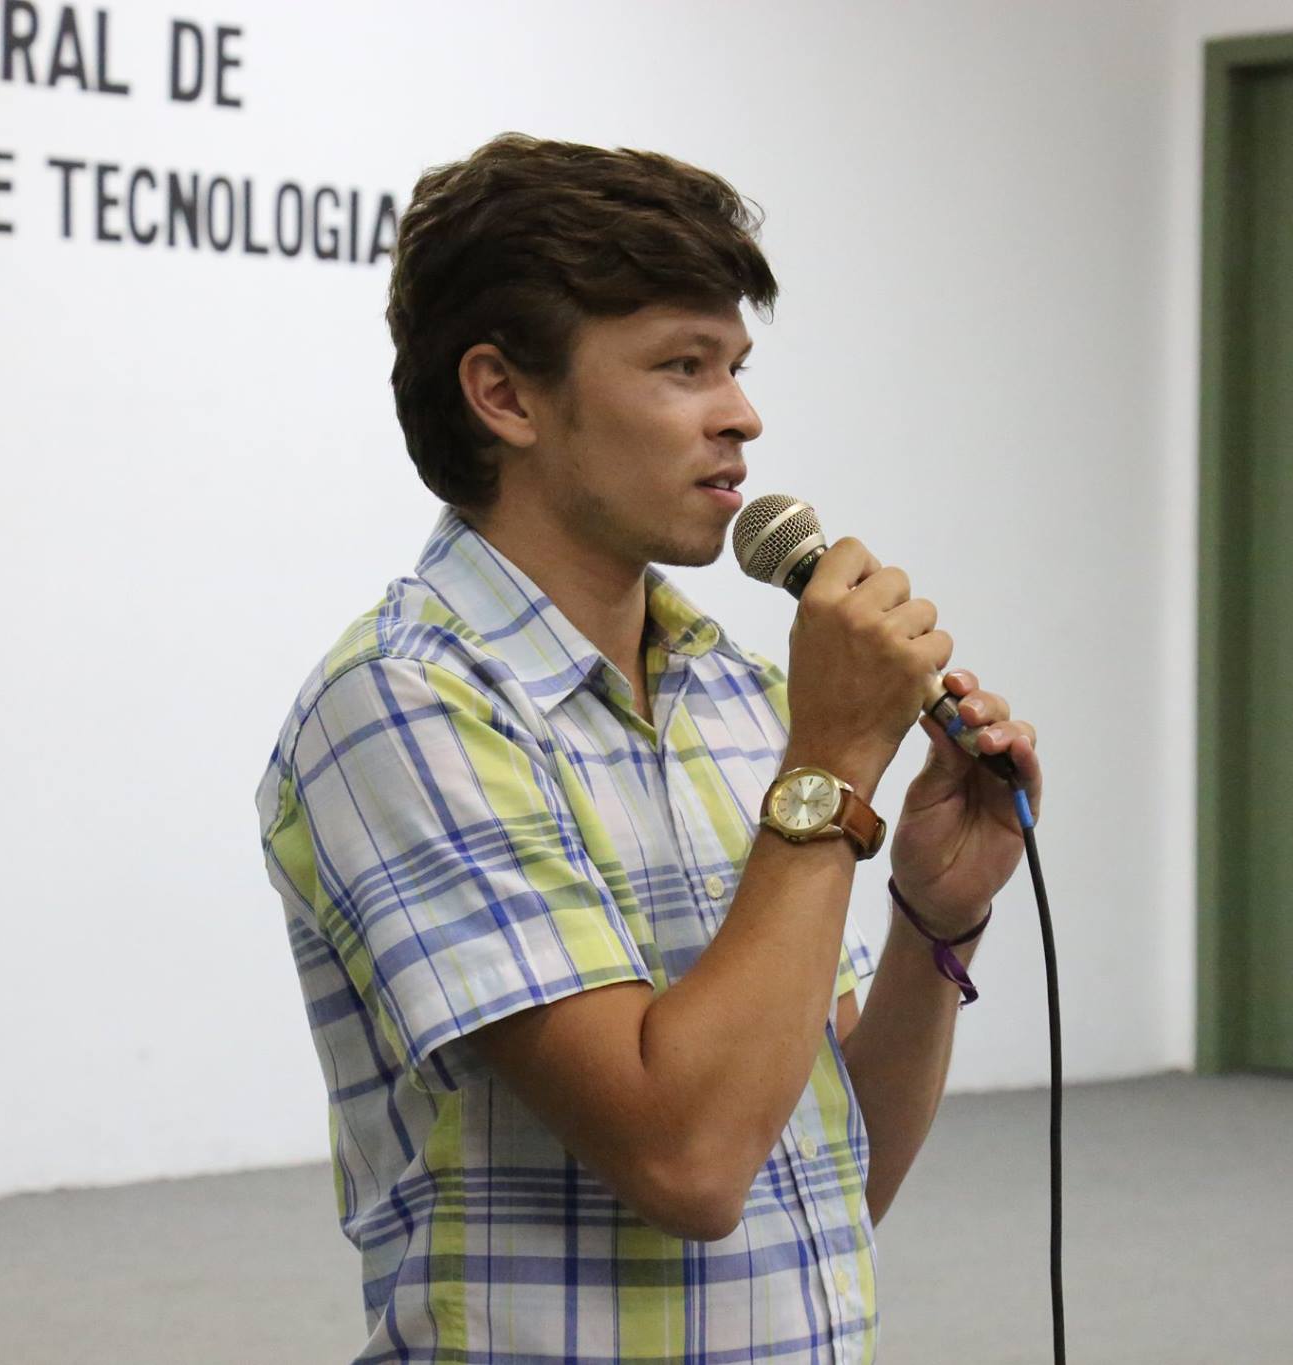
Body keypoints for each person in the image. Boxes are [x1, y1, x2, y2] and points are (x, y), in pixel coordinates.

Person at [254, 133, 1041, 1364]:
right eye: (682, 366)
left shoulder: (742, 698)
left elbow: (824, 1171)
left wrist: (934, 921)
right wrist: (829, 768)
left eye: (734, 365)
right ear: (504, 396)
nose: (742, 415)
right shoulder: (403, 705)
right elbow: (687, 1161)